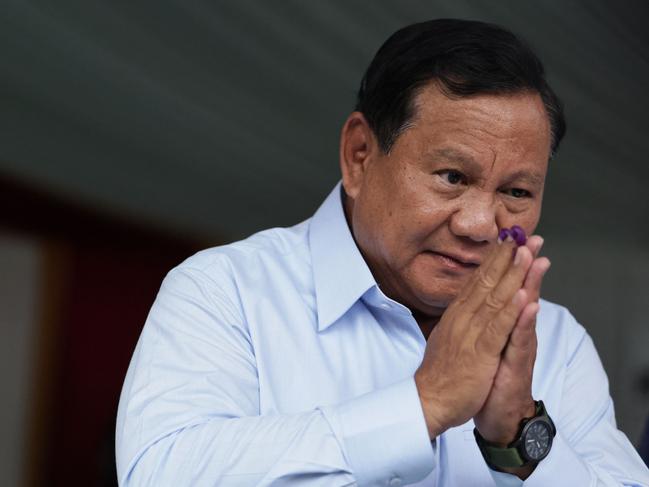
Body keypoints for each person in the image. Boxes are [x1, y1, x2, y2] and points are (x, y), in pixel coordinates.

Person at [116, 19, 649, 486]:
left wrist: (520, 437)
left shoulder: (554, 339)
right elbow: (162, 473)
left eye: (516, 192)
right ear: (359, 155)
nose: (481, 225)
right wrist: (423, 406)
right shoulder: (226, 292)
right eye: (452, 177)